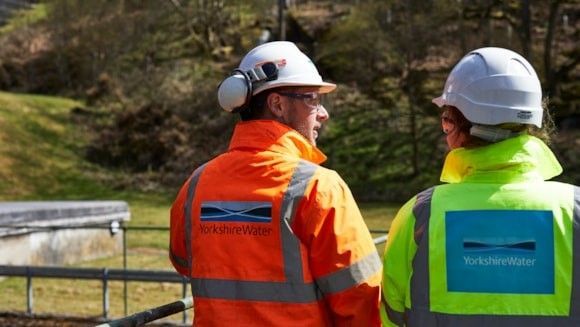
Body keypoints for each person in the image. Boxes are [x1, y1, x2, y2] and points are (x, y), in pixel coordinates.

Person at [170, 41, 382, 326]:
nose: (323, 113)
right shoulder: (319, 188)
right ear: (278, 104)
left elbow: (183, 262)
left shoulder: (197, 184)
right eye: (312, 99)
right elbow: (360, 299)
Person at [380, 47, 580, 326]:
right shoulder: (574, 211)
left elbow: (389, 315)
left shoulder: (420, 215)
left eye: (447, 121)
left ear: (460, 127)